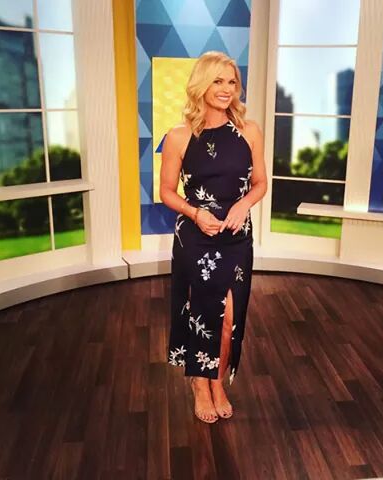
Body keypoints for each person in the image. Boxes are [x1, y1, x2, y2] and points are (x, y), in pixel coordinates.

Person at [160, 51, 267, 423]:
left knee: (229, 317)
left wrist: (243, 205)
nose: (226, 89)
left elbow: (260, 183)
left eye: (232, 81)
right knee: (200, 312)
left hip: (237, 237)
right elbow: (167, 192)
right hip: (196, 237)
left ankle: (217, 380)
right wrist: (195, 213)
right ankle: (199, 383)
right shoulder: (178, 136)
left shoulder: (249, 131)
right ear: (201, 85)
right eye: (218, 81)